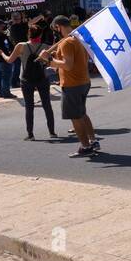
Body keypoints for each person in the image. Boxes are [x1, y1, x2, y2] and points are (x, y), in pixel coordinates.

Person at [40, 16, 98, 156]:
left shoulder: (66, 42)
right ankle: (93, 141)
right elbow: (71, 60)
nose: (55, 32)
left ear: (59, 26)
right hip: (83, 81)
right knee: (82, 114)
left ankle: (85, 147)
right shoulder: (78, 39)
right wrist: (55, 55)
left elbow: (67, 65)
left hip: (72, 84)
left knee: (75, 117)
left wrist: (49, 61)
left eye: (55, 29)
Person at [0, 23, 57, 140]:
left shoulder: (21, 46)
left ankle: (30, 134)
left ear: (28, 34)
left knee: (29, 107)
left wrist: (1, 53)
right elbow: (53, 59)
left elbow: (10, 60)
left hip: (26, 79)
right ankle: (52, 132)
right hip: (42, 78)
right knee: (47, 105)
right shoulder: (46, 46)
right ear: (40, 34)